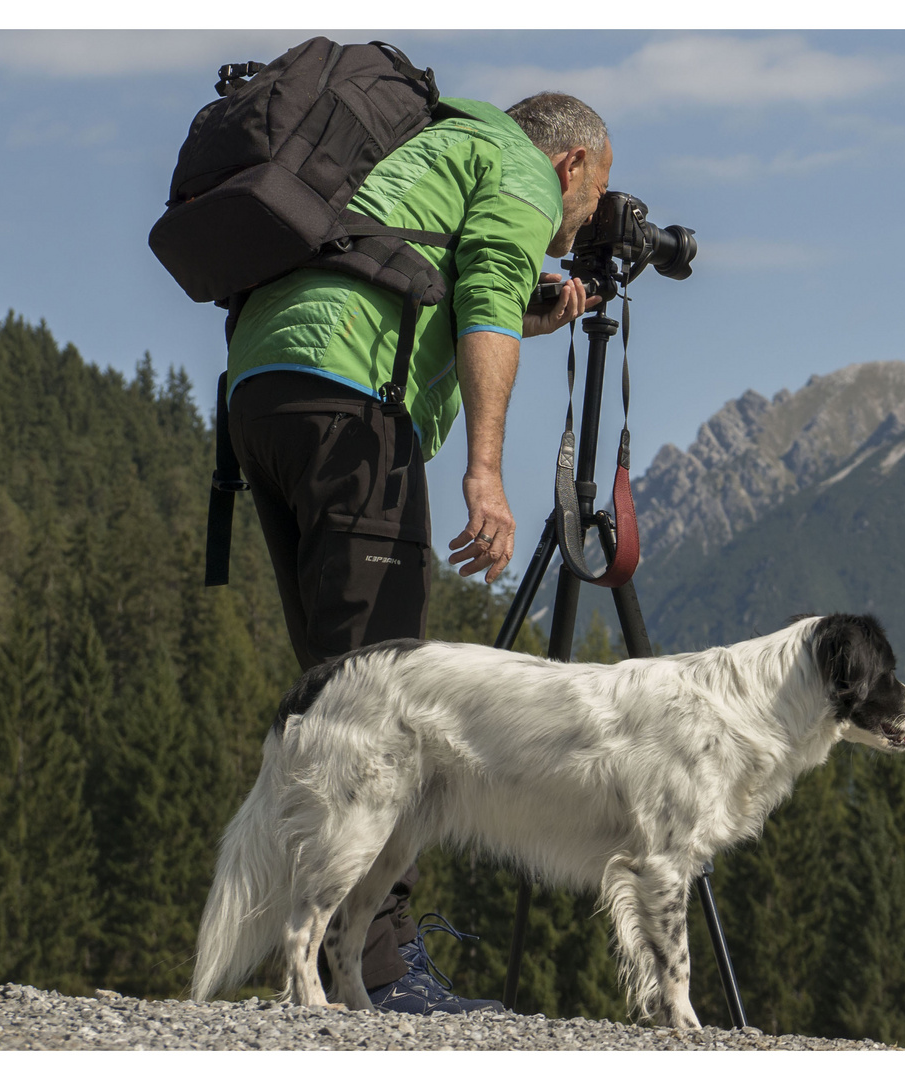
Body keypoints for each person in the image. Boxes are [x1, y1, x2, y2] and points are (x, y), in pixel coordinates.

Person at [220, 90, 612, 1013]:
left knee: (339, 680)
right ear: (571, 165)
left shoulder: (438, 147)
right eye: (591, 204)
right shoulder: (518, 170)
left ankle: (317, 953)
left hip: (265, 393)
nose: (577, 233)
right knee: (386, 701)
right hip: (352, 402)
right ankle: (380, 970)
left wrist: (527, 314)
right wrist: (484, 471)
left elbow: (422, 279)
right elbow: (478, 303)